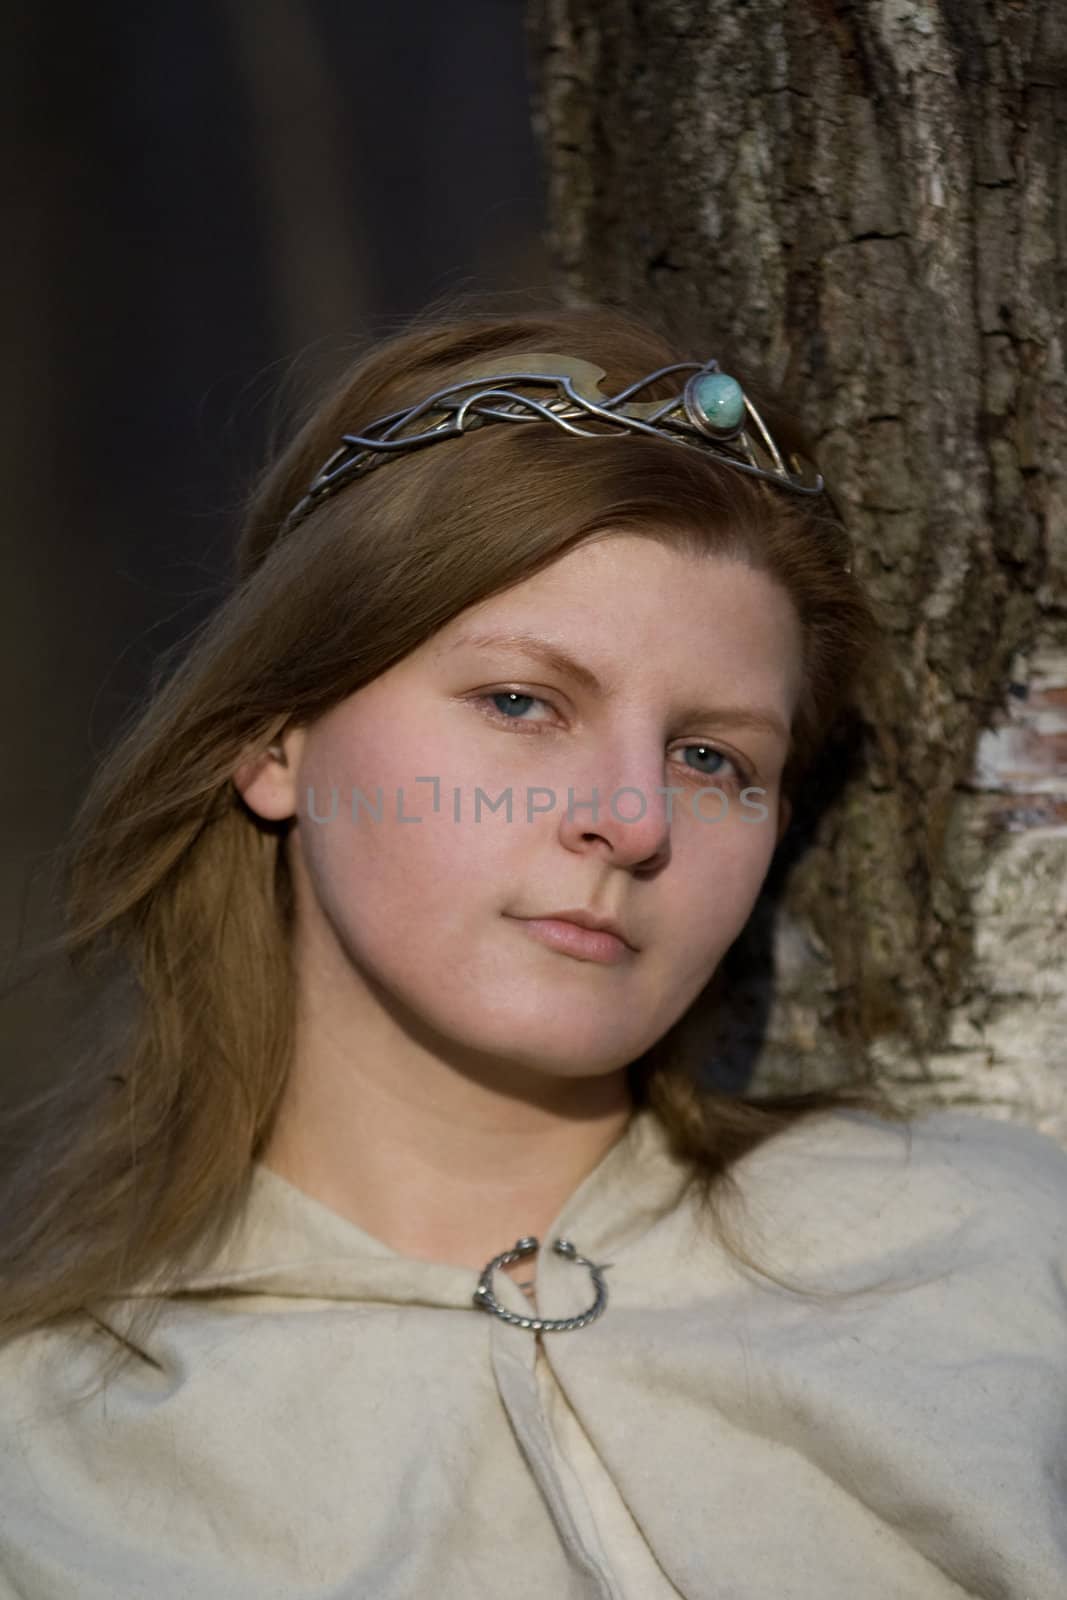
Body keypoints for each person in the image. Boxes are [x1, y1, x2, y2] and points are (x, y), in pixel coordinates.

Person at [1, 296, 1065, 1600]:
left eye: (711, 757)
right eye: (520, 701)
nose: (629, 819)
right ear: (275, 735)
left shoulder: (998, 1255)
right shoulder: (47, 1454)